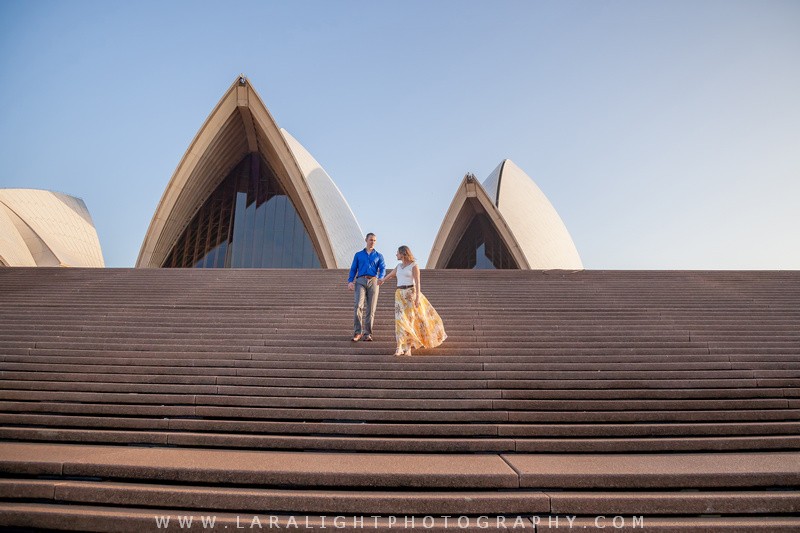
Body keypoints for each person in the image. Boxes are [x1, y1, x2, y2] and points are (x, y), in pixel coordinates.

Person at [379, 245, 447, 356]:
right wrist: (381, 281)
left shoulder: (414, 266)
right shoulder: (398, 266)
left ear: (403, 254)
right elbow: (390, 275)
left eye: (398, 253)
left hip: (410, 293)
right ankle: (399, 347)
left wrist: (417, 298)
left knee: (409, 321)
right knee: (400, 320)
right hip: (399, 294)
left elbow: (417, 281)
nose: (396, 254)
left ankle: (408, 348)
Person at [347, 233, 385, 342]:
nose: (372, 242)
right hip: (360, 280)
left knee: (371, 308)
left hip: (373, 281)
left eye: (374, 240)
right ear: (366, 240)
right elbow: (353, 268)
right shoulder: (358, 255)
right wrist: (350, 281)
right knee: (358, 305)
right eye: (371, 240)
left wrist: (381, 277)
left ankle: (368, 333)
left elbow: (382, 268)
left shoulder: (379, 255)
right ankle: (357, 332)